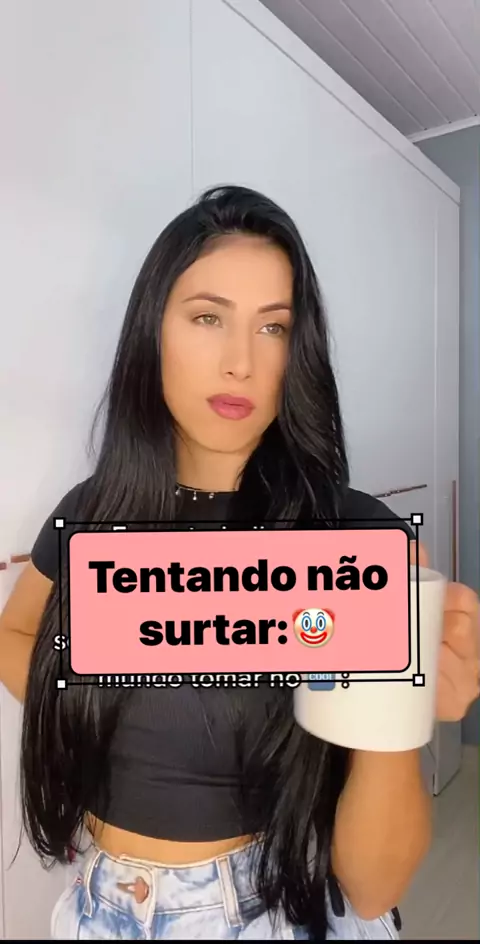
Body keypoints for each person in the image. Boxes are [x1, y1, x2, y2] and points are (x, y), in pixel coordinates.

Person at [0, 185, 478, 941]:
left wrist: (400, 698)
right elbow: (16, 633)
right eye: (207, 317)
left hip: (273, 911)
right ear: (152, 330)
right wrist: (90, 701)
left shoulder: (352, 538)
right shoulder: (93, 511)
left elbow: (374, 885)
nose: (240, 363)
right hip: (97, 909)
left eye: (274, 327)